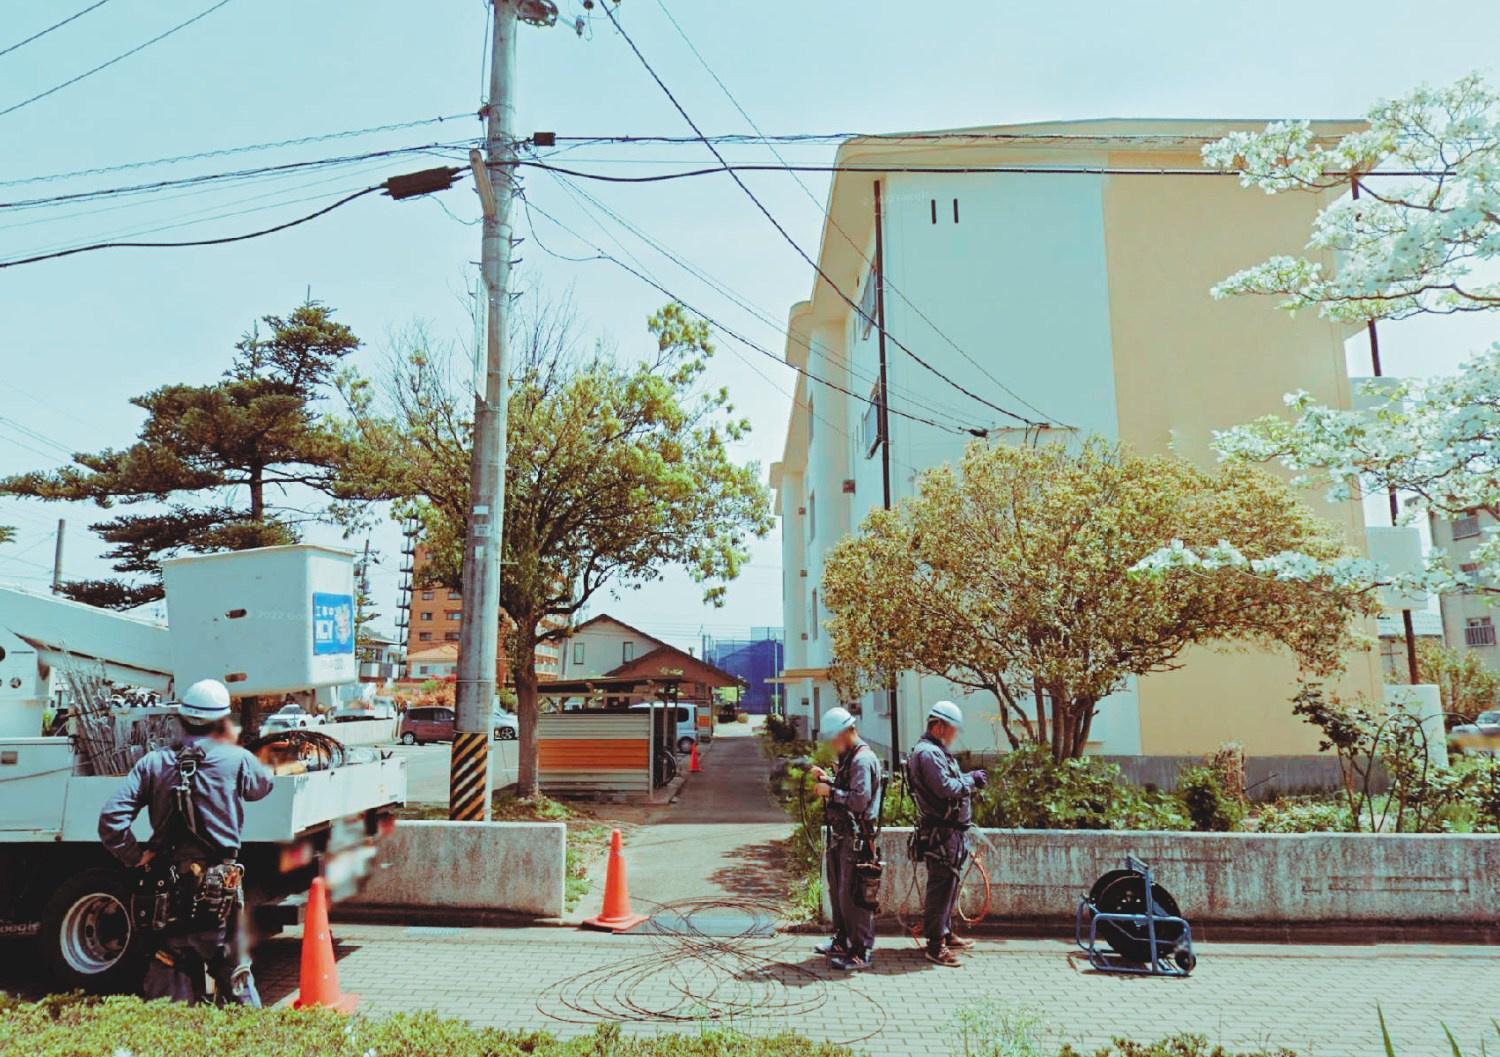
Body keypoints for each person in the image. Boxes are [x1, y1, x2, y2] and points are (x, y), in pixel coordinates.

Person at [99, 678, 274, 1004]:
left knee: (169, 984)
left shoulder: (152, 763)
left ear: (181, 718)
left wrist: (134, 856)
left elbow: (111, 820)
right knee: (235, 976)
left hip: (164, 890)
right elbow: (262, 786)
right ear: (223, 720)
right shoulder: (237, 759)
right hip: (219, 888)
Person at [905, 700, 988, 967]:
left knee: (949, 885)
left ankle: (945, 933)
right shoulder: (928, 754)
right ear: (938, 726)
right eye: (952, 729)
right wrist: (971, 780)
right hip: (941, 833)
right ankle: (935, 946)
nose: (954, 735)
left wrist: (967, 777)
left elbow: (951, 781)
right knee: (941, 887)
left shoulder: (936, 751)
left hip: (950, 832)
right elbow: (944, 788)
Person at [810, 706, 881, 971]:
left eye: (834, 738)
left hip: (857, 838)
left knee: (853, 896)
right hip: (843, 836)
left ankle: (860, 951)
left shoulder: (862, 760)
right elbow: (848, 788)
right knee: (839, 891)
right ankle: (842, 940)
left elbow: (859, 800)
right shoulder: (851, 758)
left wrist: (830, 792)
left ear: (845, 733)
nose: (832, 744)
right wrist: (828, 780)